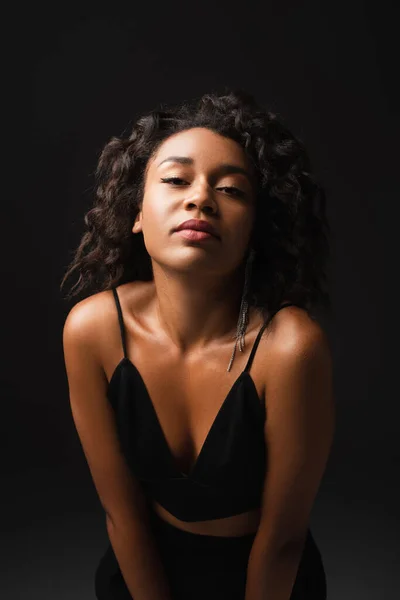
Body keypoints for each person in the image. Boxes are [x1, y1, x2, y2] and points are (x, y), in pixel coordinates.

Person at [61, 88, 335, 600]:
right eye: (175, 179)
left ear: (256, 228)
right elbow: (122, 516)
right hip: (141, 575)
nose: (200, 198)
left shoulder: (291, 347)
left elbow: (282, 539)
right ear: (137, 211)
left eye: (231, 190)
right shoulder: (92, 330)